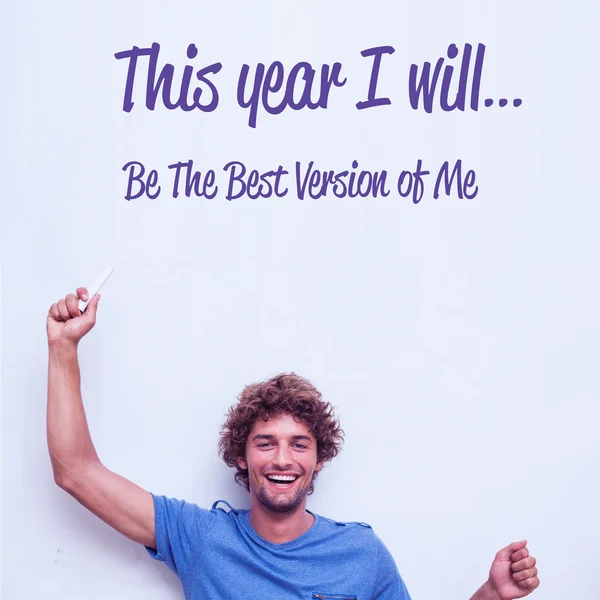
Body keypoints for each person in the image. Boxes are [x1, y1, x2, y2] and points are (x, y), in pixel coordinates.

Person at [47, 287, 540, 600]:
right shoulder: (200, 538)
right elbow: (76, 471)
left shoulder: (360, 553)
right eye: (265, 443)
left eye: (298, 445)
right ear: (241, 456)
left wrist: (491, 595)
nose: (282, 459)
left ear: (319, 458)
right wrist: (63, 348)